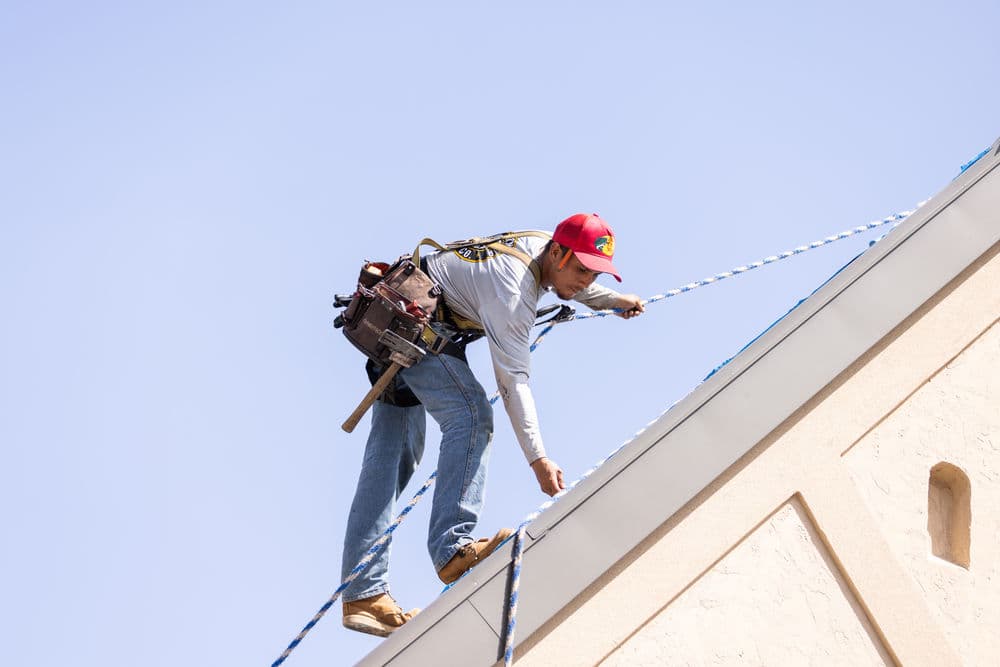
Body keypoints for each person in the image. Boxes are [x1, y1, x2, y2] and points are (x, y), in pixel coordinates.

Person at [340, 213, 644, 637]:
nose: (584, 281)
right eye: (581, 270)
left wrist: (612, 301)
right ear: (557, 252)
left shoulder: (543, 246)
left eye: (593, 273)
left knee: (391, 462)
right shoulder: (513, 292)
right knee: (471, 416)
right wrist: (538, 458)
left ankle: (363, 594)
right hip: (417, 329)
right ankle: (452, 549)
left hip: (398, 320)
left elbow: (571, 285)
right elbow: (512, 383)